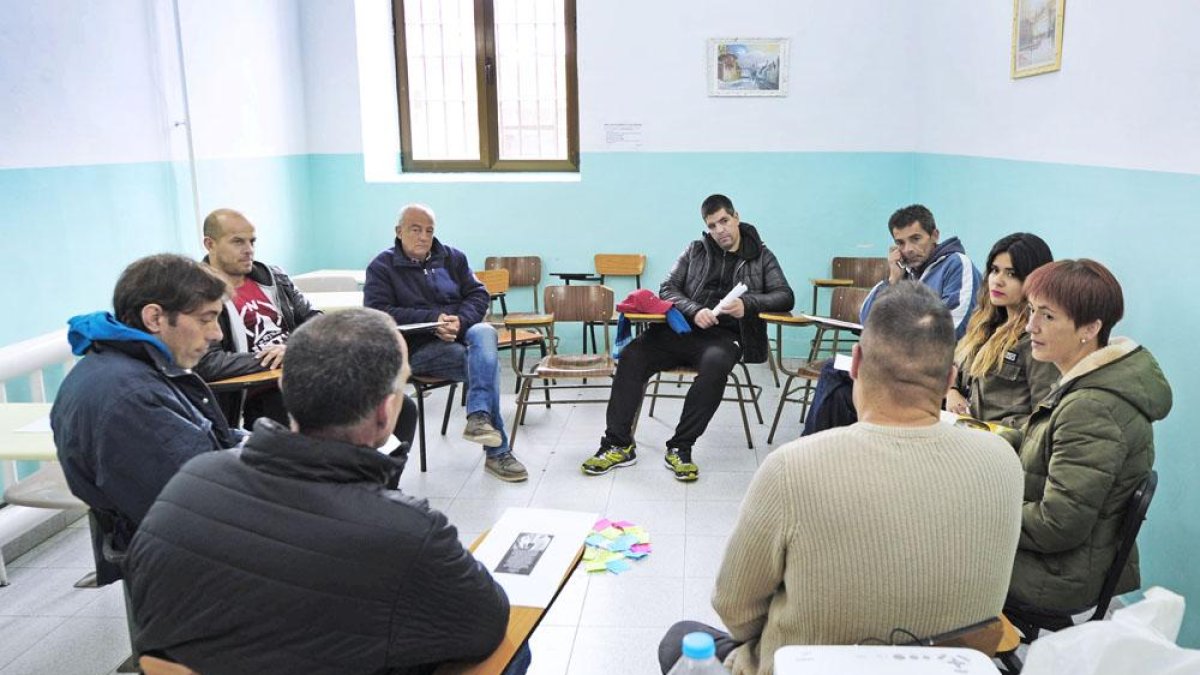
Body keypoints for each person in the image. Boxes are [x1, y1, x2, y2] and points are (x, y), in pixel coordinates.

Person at [126, 308, 527, 675]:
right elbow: (486, 625)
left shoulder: (190, 481)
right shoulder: (409, 533)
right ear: (387, 412)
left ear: (286, 386)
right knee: (513, 650)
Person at [659, 282, 1023, 675]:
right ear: (950, 375)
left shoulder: (792, 468)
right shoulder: (1002, 460)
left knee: (678, 639)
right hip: (946, 665)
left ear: (855, 363)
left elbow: (737, 610)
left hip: (806, 665)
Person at [51, 253, 242, 584]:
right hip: (185, 568)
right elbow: (200, 508)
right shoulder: (134, 398)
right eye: (205, 319)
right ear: (155, 318)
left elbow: (202, 440)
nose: (216, 334)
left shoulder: (121, 366)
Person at [581, 194, 794, 481]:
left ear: (736, 217)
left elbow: (785, 296)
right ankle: (618, 444)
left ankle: (681, 447)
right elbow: (667, 288)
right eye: (712, 225)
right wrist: (694, 311)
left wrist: (749, 305)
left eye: (724, 221)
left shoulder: (761, 255)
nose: (720, 230)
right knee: (632, 355)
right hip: (680, 328)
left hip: (724, 337)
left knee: (717, 365)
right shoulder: (696, 250)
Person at [1006, 259, 1172, 622]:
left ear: (1090, 328)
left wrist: (981, 512)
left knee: (936, 543)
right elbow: (1049, 444)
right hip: (1066, 563)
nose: (1031, 326)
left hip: (1056, 576)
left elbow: (1057, 524)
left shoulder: (1092, 407)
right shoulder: (1091, 383)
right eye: (1032, 311)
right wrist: (987, 442)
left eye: (1047, 316)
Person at [364, 203, 526, 482]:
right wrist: (433, 321)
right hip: (416, 349)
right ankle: (497, 451)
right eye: (415, 229)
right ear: (398, 231)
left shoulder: (453, 258)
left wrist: (460, 322)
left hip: (461, 335)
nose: (423, 237)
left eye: (429, 230)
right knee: (484, 365)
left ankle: (479, 418)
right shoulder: (382, 266)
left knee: (485, 332)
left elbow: (478, 295)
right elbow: (378, 313)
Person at [802, 204, 982, 435]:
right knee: (835, 380)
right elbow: (868, 320)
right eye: (900, 243)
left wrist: (897, 344)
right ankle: (827, 455)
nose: (909, 249)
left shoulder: (957, 265)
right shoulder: (907, 272)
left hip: (931, 373)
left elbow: (953, 328)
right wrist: (894, 280)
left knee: (836, 378)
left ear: (934, 235)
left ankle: (812, 452)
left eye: (916, 238)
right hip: (897, 368)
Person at [194, 208, 319, 427]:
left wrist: (294, 349)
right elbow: (207, 363)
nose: (249, 250)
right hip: (260, 395)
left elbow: (317, 321)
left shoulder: (274, 278)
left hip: (304, 375)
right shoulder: (197, 292)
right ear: (210, 244)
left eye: (252, 241)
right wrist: (277, 360)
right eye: (238, 242)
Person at [945, 232, 1058, 429]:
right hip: (966, 434)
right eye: (995, 270)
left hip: (1005, 445)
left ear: (1034, 281)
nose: (997, 281)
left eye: (1011, 274)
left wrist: (995, 427)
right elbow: (954, 368)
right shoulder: (983, 324)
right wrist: (951, 391)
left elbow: (1044, 417)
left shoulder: (1037, 336)